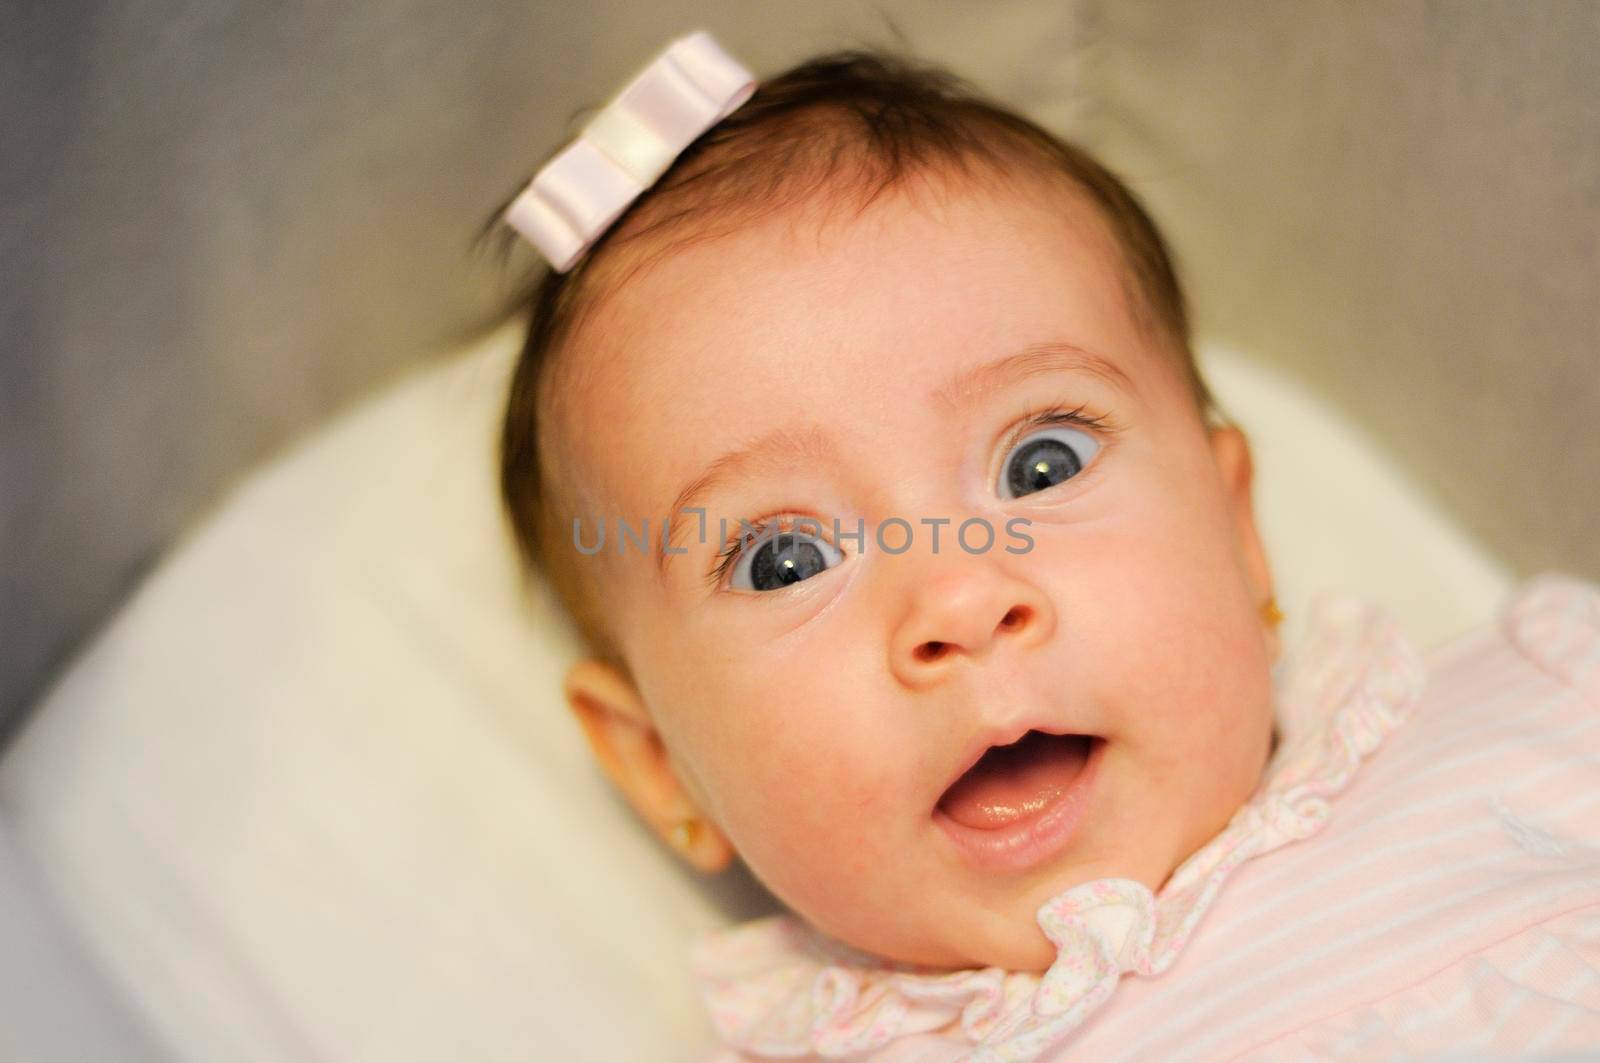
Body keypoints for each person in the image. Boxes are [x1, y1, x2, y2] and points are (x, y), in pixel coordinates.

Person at [482, 31, 1600, 1061]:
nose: (962, 599)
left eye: (1041, 466)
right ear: (659, 764)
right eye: (787, 559)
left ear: (1239, 536)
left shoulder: (1538, 705)